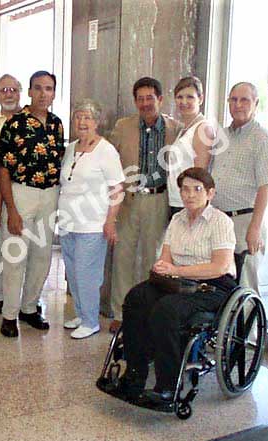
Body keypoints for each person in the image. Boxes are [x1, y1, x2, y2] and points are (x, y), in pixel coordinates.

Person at [101, 168, 237, 405]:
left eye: (197, 189)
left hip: (213, 286)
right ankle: (135, 374)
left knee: (167, 310)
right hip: (179, 283)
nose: (190, 195)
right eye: (185, 189)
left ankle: (167, 385)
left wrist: (176, 271)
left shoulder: (220, 221)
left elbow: (219, 266)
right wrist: (164, 269)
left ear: (210, 193)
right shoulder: (177, 219)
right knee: (136, 298)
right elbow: (166, 258)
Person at [108, 77, 183, 334]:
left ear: (160, 100)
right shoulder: (123, 127)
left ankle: (146, 311)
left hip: (159, 199)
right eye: (140, 99)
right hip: (129, 200)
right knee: (123, 257)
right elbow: (110, 163)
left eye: (150, 98)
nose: (145, 103)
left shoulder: (176, 129)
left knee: (153, 258)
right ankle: (120, 312)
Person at [0, 70, 65, 338]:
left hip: (50, 195)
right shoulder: (15, 124)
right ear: (30, 92)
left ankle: (29, 307)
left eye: (48, 89)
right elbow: (2, 168)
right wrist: (10, 209)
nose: (43, 93)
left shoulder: (57, 124)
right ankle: (10, 314)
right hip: (21, 193)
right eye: (38, 88)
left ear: (54, 93)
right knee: (14, 255)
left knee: (42, 255)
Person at [59, 99, 125, 339]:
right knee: (73, 273)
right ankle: (80, 312)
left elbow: (117, 188)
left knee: (87, 274)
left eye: (87, 117)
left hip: (92, 225)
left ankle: (90, 320)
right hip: (68, 224)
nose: (82, 122)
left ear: (97, 122)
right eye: (78, 117)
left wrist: (110, 221)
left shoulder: (105, 150)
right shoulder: (71, 148)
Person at [211, 82, 268, 293]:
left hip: (244, 221)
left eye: (244, 100)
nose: (238, 105)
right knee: (221, 283)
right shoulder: (221, 136)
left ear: (256, 103)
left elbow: (265, 186)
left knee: (245, 285)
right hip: (219, 219)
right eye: (233, 100)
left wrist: (255, 227)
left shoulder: (263, 139)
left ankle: (249, 327)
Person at [0, 74, 23, 315]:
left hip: (24, 192)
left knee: (24, 249)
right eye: (3, 90)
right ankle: (3, 296)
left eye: (12, 89)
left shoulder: (30, 121)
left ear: (20, 92)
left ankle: (27, 299)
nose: (8, 94)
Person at [167, 76, 215, 216]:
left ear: (200, 99)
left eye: (190, 97)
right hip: (176, 201)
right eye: (179, 97)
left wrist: (194, 208)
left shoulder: (203, 129)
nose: (184, 102)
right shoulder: (184, 129)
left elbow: (200, 175)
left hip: (191, 204)